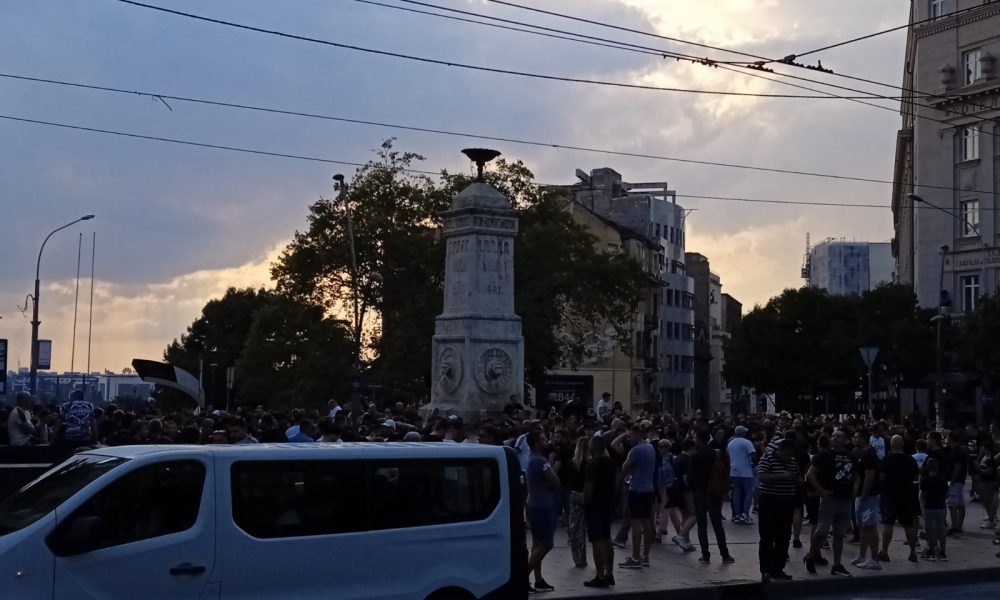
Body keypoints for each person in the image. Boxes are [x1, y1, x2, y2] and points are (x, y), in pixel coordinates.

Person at [805, 429, 855, 577]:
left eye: (838, 436)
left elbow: (857, 475)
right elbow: (810, 474)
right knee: (823, 530)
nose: (834, 438)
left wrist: (855, 490)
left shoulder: (852, 456)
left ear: (846, 440)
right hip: (830, 498)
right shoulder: (824, 455)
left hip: (846, 499)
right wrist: (821, 491)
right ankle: (811, 555)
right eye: (833, 435)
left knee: (840, 533)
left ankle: (837, 564)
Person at [688, 429, 734, 564]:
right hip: (714, 492)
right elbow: (725, 471)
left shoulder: (695, 456)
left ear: (699, 439)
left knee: (702, 525)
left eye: (695, 438)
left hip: (700, 492)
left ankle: (705, 554)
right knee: (718, 525)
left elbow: (690, 477)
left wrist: (693, 488)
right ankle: (725, 554)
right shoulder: (716, 454)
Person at [757, 438, 798, 582]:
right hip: (769, 501)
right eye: (786, 455)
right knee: (767, 537)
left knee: (784, 536)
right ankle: (766, 570)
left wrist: (797, 480)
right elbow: (762, 476)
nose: (788, 458)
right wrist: (782, 476)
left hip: (786, 501)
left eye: (790, 455)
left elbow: (797, 477)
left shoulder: (792, 461)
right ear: (780, 450)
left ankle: (777, 568)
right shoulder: (768, 458)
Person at [618, 424, 656, 569]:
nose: (628, 439)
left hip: (637, 489)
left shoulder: (636, 450)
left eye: (630, 436)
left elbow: (624, 467)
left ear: (638, 434)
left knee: (636, 524)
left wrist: (621, 479)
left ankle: (635, 558)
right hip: (649, 489)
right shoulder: (650, 447)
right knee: (647, 523)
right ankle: (645, 556)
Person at [525, 430, 559, 593]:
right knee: (547, 544)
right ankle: (523, 576)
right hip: (543, 506)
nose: (547, 442)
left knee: (537, 544)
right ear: (536, 443)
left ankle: (538, 579)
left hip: (533, 504)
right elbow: (556, 481)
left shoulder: (530, 459)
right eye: (544, 439)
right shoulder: (540, 461)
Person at [878, 435, 920, 563]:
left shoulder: (886, 459)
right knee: (908, 524)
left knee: (888, 523)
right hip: (906, 494)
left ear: (891, 445)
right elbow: (916, 477)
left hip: (889, 494)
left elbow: (881, 477)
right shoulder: (910, 460)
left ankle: (884, 551)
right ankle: (913, 552)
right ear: (903, 445)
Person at [583, 435, 617, 588]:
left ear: (592, 447)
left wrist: (584, 501)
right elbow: (616, 483)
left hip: (595, 506)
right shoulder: (611, 463)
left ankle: (600, 576)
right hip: (607, 504)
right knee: (607, 538)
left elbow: (589, 487)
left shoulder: (592, 464)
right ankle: (609, 573)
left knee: (597, 540)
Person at [852, 430, 882, 570]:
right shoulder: (862, 454)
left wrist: (864, 494)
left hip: (868, 496)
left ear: (863, 439)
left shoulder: (869, 455)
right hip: (861, 495)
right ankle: (862, 555)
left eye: (856, 437)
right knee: (862, 526)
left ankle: (874, 559)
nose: (854, 439)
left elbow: (869, 476)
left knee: (869, 526)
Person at [566, 435, 590, 569]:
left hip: (574, 494)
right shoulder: (591, 463)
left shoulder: (572, 463)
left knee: (575, 527)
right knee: (586, 528)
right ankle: (584, 558)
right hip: (587, 494)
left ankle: (578, 558)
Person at [920, 457, 949, 561]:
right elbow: (946, 494)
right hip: (940, 507)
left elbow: (923, 496)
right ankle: (942, 552)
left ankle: (931, 551)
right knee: (941, 530)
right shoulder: (943, 480)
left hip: (929, 507)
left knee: (930, 530)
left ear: (927, 468)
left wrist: (922, 508)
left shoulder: (925, 481)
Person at [728, 425, 757, 524]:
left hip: (734, 471)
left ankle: (736, 515)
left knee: (736, 493)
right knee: (749, 493)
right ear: (743, 433)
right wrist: (753, 464)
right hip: (746, 471)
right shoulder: (747, 442)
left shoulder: (731, 443)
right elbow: (753, 455)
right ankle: (745, 514)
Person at [946, 431, 970, 536]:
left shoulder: (956, 451)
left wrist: (952, 480)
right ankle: (958, 527)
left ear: (951, 438)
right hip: (959, 480)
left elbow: (958, 467)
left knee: (951, 504)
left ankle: (954, 527)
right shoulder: (958, 450)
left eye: (946, 437)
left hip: (955, 481)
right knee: (960, 504)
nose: (945, 439)